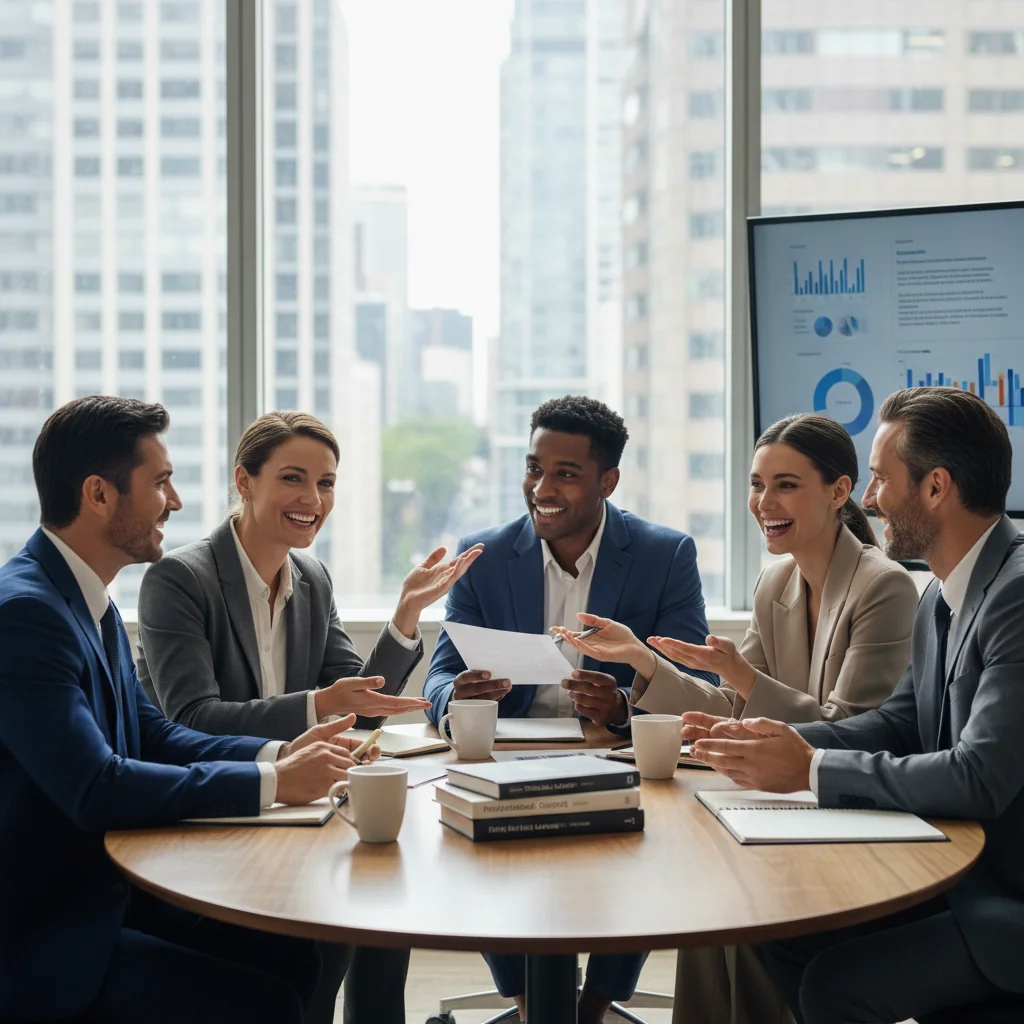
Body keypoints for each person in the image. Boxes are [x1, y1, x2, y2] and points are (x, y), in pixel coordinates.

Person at [0, 396, 383, 1024]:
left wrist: (280, 754)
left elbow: (148, 731)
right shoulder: (29, 614)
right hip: (58, 931)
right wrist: (274, 782)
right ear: (98, 494)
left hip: (118, 890)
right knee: (262, 1000)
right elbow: (97, 785)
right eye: (160, 483)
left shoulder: (84, 598)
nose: (174, 502)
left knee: (300, 954)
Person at [554, 413, 920, 1024]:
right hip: (780, 802)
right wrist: (641, 659)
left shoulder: (884, 587)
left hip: (846, 812)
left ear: (839, 491)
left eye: (785, 485)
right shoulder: (774, 581)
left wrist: (744, 677)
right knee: (709, 907)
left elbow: (850, 726)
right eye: (756, 484)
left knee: (738, 905)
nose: (764, 502)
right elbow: (731, 709)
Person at [684, 387, 1024, 1024]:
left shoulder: (1016, 595)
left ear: (935, 487)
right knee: (774, 931)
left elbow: (980, 775)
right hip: (959, 871)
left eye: (878, 478)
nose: (868, 499)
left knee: (838, 984)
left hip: (1001, 900)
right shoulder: (945, 593)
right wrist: (777, 742)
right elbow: (899, 721)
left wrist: (808, 771)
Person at [136, 410, 482, 1023]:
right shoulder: (180, 579)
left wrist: (405, 615)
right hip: (221, 808)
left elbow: (360, 708)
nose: (313, 499)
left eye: (326, 483)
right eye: (294, 478)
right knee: (328, 939)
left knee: (386, 891)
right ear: (244, 481)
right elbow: (191, 718)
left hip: (301, 807)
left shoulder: (312, 578)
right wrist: (321, 706)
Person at [422, 395, 717, 1024]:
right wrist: (458, 698)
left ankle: (596, 1004)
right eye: (533, 469)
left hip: (614, 754)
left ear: (608, 480)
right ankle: (530, 1000)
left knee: (643, 832)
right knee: (472, 837)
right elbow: (440, 673)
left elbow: (691, 679)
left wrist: (622, 704)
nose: (542, 488)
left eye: (565, 473)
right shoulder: (485, 555)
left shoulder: (665, 555)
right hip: (507, 755)